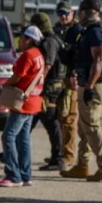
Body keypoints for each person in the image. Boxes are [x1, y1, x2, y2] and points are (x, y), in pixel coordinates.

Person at [60, 0, 102, 182]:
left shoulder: (97, 33)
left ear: (87, 12)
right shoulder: (88, 32)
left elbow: (98, 61)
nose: (79, 15)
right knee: (84, 126)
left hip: (94, 84)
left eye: (81, 12)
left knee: (91, 124)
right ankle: (82, 165)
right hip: (88, 83)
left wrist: (90, 86)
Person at [0, 26, 45, 187]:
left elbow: (17, 76)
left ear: (29, 40)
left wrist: (3, 86)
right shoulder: (39, 55)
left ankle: (13, 175)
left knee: (8, 136)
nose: (20, 41)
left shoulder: (28, 55)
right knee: (23, 139)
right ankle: (25, 174)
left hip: (22, 102)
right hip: (33, 101)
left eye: (22, 38)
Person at [31, 12, 65, 172]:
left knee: (50, 121)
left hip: (50, 88)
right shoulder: (53, 38)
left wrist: (37, 83)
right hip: (51, 86)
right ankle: (11, 152)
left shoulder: (50, 42)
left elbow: (48, 65)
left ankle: (58, 158)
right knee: (31, 118)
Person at [53, 0, 83, 169]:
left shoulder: (77, 31)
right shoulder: (57, 30)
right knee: (58, 118)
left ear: (73, 13)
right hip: (57, 79)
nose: (63, 16)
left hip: (71, 79)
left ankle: (69, 156)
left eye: (66, 13)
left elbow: (80, 56)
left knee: (69, 119)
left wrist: (74, 75)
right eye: (60, 13)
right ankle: (59, 154)